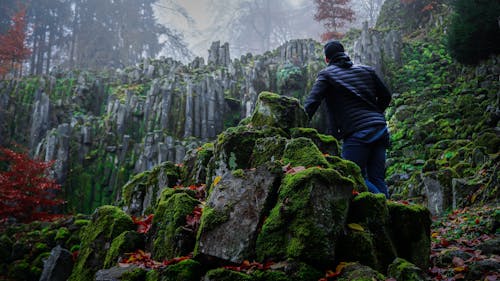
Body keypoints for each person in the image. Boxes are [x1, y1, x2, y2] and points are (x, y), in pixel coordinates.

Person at [304, 40, 392, 198]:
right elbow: (386, 96)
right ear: (344, 53)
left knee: (352, 177)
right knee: (377, 178)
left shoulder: (327, 74)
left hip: (358, 133)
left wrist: (300, 122)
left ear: (327, 59)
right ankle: (388, 212)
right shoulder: (366, 70)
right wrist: (375, 114)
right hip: (379, 128)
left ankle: (384, 207)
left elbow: (312, 102)